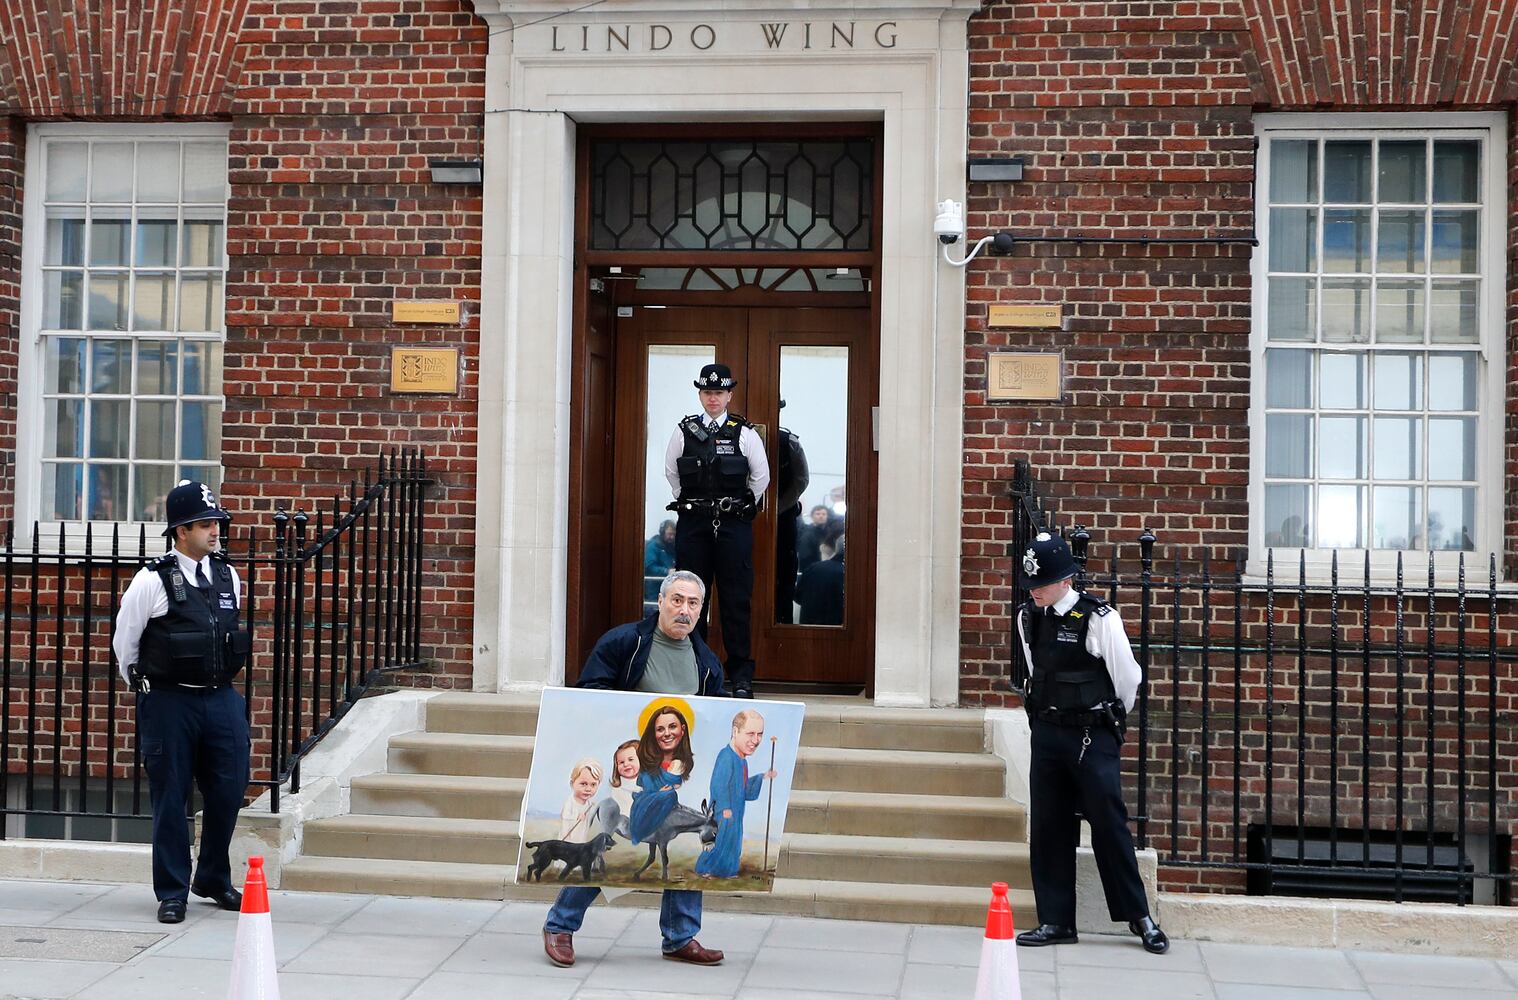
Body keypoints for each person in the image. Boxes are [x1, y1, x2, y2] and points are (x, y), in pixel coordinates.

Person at [543, 570, 727, 969]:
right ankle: (560, 925)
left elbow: (714, 718)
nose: (684, 610)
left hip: (674, 778)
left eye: (693, 603)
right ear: (659, 602)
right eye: (676, 600)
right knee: (608, 849)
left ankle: (680, 936)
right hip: (634, 775)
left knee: (682, 851)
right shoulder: (625, 642)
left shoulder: (707, 663)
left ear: (701, 610)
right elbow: (590, 693)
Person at [1013, 532, 1169, 955]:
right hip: (1049, 732)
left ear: (1066, 580)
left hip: (1091, 735)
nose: (1034, 591)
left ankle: (1140, 917)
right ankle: (1056, 920)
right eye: (1031, 584)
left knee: (1108, 824)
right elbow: (1035, 670)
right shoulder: (1028, 617)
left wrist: (1104, 720)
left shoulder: (1100, 618)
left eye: (1042, 583)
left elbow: (1128, 680)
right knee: (1048, 827)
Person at [111, 480, 251, 924]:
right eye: (205, 524)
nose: (215, 531)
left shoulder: (228, 576)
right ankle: (172, 891)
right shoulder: (151, 580)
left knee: (230, 787)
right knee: (171, 795)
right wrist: (145, 686)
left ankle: (211, 877)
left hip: (220, 697)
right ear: (181, 531)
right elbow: (125, 643)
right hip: (170, 701)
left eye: (216, 522)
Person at [664, 363, 769, 698]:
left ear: (729, 396)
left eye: (719, 392)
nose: (713, 398)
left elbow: (761, 477)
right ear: (700, 395)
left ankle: (740, 677)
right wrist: (693, 504)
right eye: (708, 392)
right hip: (694, 525)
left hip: (732, 525)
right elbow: (671, 472)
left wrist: (737, 506)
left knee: (736, 600)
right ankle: (695, 672)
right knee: (690, 599)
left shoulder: (745, 433)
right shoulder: (684, 431)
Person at [695, 709, 777, 879]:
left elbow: (743, 788)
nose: (756, 740)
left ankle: (727, 871)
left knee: (733, 841)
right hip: (724, 812)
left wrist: (762, 777)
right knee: (721, 840)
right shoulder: (726, 756)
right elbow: (718, 785)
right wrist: (725, 808)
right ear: (735, 731)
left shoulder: (742, 761)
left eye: (760, 734)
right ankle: (707, 869)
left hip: (736, 812)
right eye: (751, 734)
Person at [627, 705, 694, 845]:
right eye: (660, 729)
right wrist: (659, 794)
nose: (667, 733)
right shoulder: (643, 763)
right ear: (653, 734)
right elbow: (641, 790)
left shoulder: (682, 764)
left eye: (672, 727)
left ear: (682, 730)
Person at [773, 403, 809, 624]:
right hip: (742, 520)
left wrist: (776, 508)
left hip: (784, 519)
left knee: (785, 577)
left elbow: (801, 480)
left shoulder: (788, 442)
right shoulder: (739, 438)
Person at [794, 535, 846, 626]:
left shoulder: (813, 568)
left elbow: (798, 596)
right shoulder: (850, 575)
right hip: (836, 630)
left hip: (807, 628)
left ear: (836, 548)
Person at [558, 758, 604, 844]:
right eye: (583, 784)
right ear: (572, 784)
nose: (588, 789)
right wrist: (576, 816)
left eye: (593, 784)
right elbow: (565, 816)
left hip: (581, 841)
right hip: (567, 842)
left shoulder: (589, 804)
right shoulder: (570, 802)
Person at [643, 520, 677, 604]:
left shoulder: (673, 547)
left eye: (674, 534)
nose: (672, 537)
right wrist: (666, 571)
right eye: (669, 534)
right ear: (662, 533)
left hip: (668, 588)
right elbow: (649, 566)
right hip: (654, 588)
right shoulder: (653, 546)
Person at [796, 504, 832, 572]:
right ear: (812, 516)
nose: (821, 516)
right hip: (812, 570)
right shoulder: (807, 534)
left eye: (824, 514)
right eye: (818, 514)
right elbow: (804, 556)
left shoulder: (830, 533)